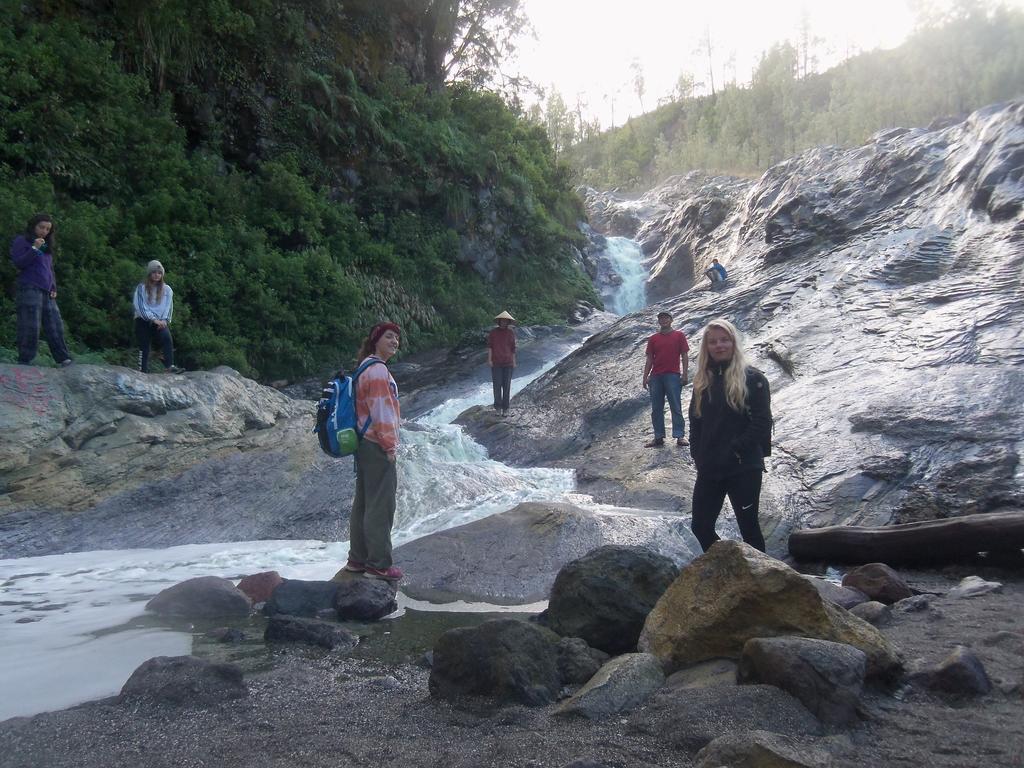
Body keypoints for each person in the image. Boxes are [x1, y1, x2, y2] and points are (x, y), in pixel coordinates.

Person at [688, 318, 772, 553]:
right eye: (713, 342)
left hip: (743, 466)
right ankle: (729, 570)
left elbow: (762, 422)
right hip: (710, 466)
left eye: (724, 340)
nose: (719, 345)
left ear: (733, 342)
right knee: (700, 527)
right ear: (707, 347)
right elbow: (695, 422)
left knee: (749, 528)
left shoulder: (753, 379)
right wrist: (698, 453)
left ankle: (761, 582)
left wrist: (736, 448)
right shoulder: (703, 381)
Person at [344, 322, 403, 582]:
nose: (394, 341)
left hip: (363, 442)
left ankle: (357, 559)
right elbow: (382, 412)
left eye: (397, 338)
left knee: (364, 502)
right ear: (376, 340)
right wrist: (389, 446)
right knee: (381, 505)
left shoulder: (365, 366)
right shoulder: (378, 370)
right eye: (389, 337)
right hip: (376, 443)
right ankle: (378, 565)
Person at [9, 213, 72, 367]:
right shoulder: (22, 241)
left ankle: (63, 359)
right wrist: (34, 248)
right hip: (29, 287)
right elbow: (19, 263)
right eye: (41, 227)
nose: (44, 231)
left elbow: (49, 268)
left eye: (48, 229)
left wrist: (53, 286)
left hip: (47, 290)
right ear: (33, 226)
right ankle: (25, 360)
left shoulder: (46, 245)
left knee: (55, 324)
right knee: (30, 325)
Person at [641, 310, 690, 448]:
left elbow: (684, 355)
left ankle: (680, 436)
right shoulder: (653, 339)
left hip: (673, 375)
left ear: (671, 320)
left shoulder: (679, 335)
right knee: (656, 408)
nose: (663, 320)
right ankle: (658, 437)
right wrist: (645, 377)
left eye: (666, 318)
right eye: (661, 318)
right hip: (656, 376)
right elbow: (650, 358)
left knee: (676, 406)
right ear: (658, 321)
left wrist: (685, 374)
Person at [133, 260, 181, 374]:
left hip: (160, 322)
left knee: (167, 338)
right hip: (143, 320)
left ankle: (169, 367)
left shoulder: (167, 290)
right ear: (150, 273)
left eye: (159, 273)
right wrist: (153, 319)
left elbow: (168, 307)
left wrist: (164, 320)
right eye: (154, 272)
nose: (157, 275)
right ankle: (142, 371)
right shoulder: (141, 288)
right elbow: (140, 306)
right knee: (144, 347)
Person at [487, 310, 517, 416]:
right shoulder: (493, 333)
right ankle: (498, 408)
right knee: (497, 385)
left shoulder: (510, 333)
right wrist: (489, 359)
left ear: (508, 322)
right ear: (499, 321)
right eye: (502, 321)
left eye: (506, 321)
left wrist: (514, 362)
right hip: (496, 363)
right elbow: (490, 347)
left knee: (506, 386)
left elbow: (513, 348)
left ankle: (506, 408)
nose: (504, 322)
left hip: (508, 363)